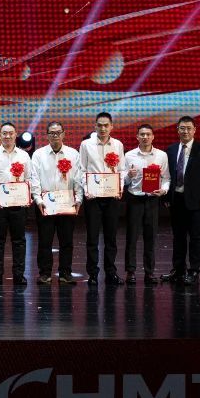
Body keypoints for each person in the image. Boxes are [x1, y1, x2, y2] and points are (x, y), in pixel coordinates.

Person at [0, 122, 38, 285]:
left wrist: (28, 195)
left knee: (19, 241)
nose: (7, 136)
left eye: (10, 133)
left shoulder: (24, 156)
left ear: (16, 135)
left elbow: (29, 178)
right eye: (4, 133)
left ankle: (19, 275)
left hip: (18, 205)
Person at [164, 116, 200, 286]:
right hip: (176, 200)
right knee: (178, 237)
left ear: (194, 130)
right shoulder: (171, 150)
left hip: (196, 201)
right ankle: (178, 270)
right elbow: (167, 176)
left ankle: (193, 271)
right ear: (177, 130)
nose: (185, 131)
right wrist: (166, 197)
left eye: (188, 128)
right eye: (182, 128)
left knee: (195, 237)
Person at [31, 121, 81, 284]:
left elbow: (78, 179)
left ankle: (65, 273)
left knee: (67, 241)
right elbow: (34, 179)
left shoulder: (73, 154)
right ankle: (45, 273)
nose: (55, 135)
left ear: (63, 134)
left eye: (58, 132)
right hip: (46, 204)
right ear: (47, 135)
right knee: (45, 241)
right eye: (52, 133)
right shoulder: (38, 155)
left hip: (67, 203)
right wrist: (38, 200)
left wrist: (79, 199)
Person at [79, 112, 127, 285]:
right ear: (95, 126)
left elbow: (121, 170)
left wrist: (119, 188)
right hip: (93, 197)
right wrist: (87, 189)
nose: (103, 128)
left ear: (111, 126)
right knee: (92, 237)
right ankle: (93, 274)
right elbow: (82, 169)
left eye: (106, 125)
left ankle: (111, 272)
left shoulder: (118, 145)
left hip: (112, 196)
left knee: (111, 237)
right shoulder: (86, 144)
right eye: (99, 125)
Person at [123, 123, 170, 284]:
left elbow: (166, 178)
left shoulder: (161, 155)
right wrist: (129, 176)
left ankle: (149, 272)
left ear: (153, 137)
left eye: (148, 134)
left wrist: (164, 190)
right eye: (142, 134)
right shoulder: (129, 155)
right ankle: (130, 272)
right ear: (137, 137)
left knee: (150, 237)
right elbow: (123, 180)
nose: (145, 137)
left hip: (152, 199)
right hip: (134, 199)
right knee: (132, 237)